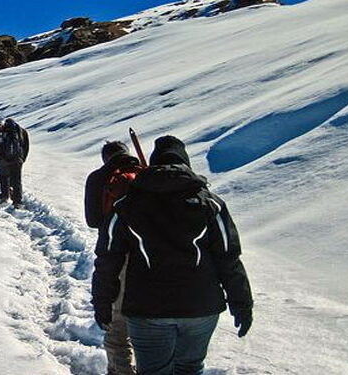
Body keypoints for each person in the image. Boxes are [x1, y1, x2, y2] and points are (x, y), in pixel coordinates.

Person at [91, 136, 253, 375]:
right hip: (201, 307)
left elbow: (108, 259)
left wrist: (102, 300)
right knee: (189, 368)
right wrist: (242, 303)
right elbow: (228, 257)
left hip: (147, 308)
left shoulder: (126, 205)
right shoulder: (211, 204)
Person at [84, 141, 141, 375]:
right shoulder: (147, 174)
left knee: (117, 324)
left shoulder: (99, 177)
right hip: (153, 255)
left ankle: (120, 370)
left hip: (115, 254)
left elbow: (93, 220)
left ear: (105, 158)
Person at [0, 118, 30, 208]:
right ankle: (17, 201)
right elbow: (26, 145)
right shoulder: (20, 131)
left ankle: (4, 197)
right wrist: (23, 158)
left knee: (4, 177)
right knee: (17, 180)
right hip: (17, 159)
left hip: (2, 160)